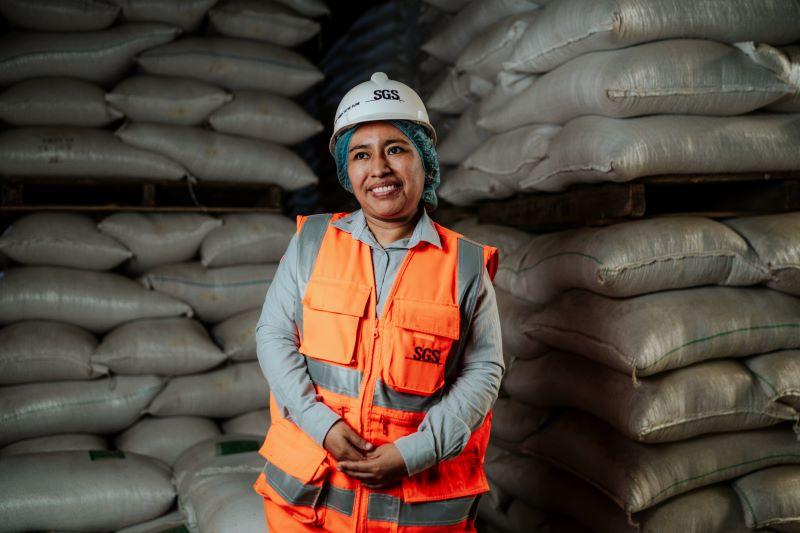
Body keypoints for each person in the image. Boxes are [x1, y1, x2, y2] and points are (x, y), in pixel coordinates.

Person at [252, 72, 504, 532]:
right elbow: (272, 336)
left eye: (396, 149)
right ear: (347, 173)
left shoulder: (465, 265)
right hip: (309, 501)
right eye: (361, 155)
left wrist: (414, 453)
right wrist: (320, 424)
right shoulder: (312, 241)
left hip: (412, 509)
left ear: (424, 160)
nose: (379, 169)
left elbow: (484, 371)